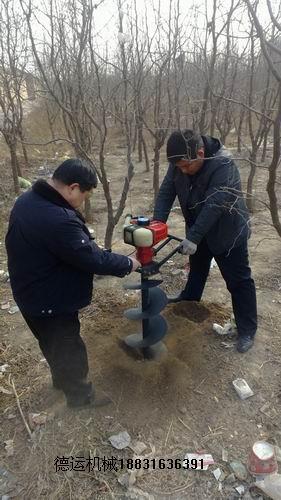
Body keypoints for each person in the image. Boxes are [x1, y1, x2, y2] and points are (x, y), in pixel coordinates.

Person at [5, 159, 140, 408]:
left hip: (28, 292)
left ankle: (61, 380)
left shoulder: (28, 200)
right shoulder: (58, 219)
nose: (83, 202)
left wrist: (86, 246)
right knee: (69, 348)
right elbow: (93, 259)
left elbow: (65, 248)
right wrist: (129, 263)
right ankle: (80, 397)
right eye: (85, 196)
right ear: (73, 188)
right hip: (50, 299)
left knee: (50, 343)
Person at [153, 129, 257, 353]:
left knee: (238, 280)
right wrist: (156, 225)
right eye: (178, 166)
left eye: (186, 166)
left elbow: (215, 205)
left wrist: (193, 237)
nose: (182, 170)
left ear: (200, 153)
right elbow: (166, 192)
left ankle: (247, 329)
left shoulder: (223, 165)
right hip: (198, 229)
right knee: (197, 268)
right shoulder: (180, 159)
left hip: (228, 233)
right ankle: (190, 298)